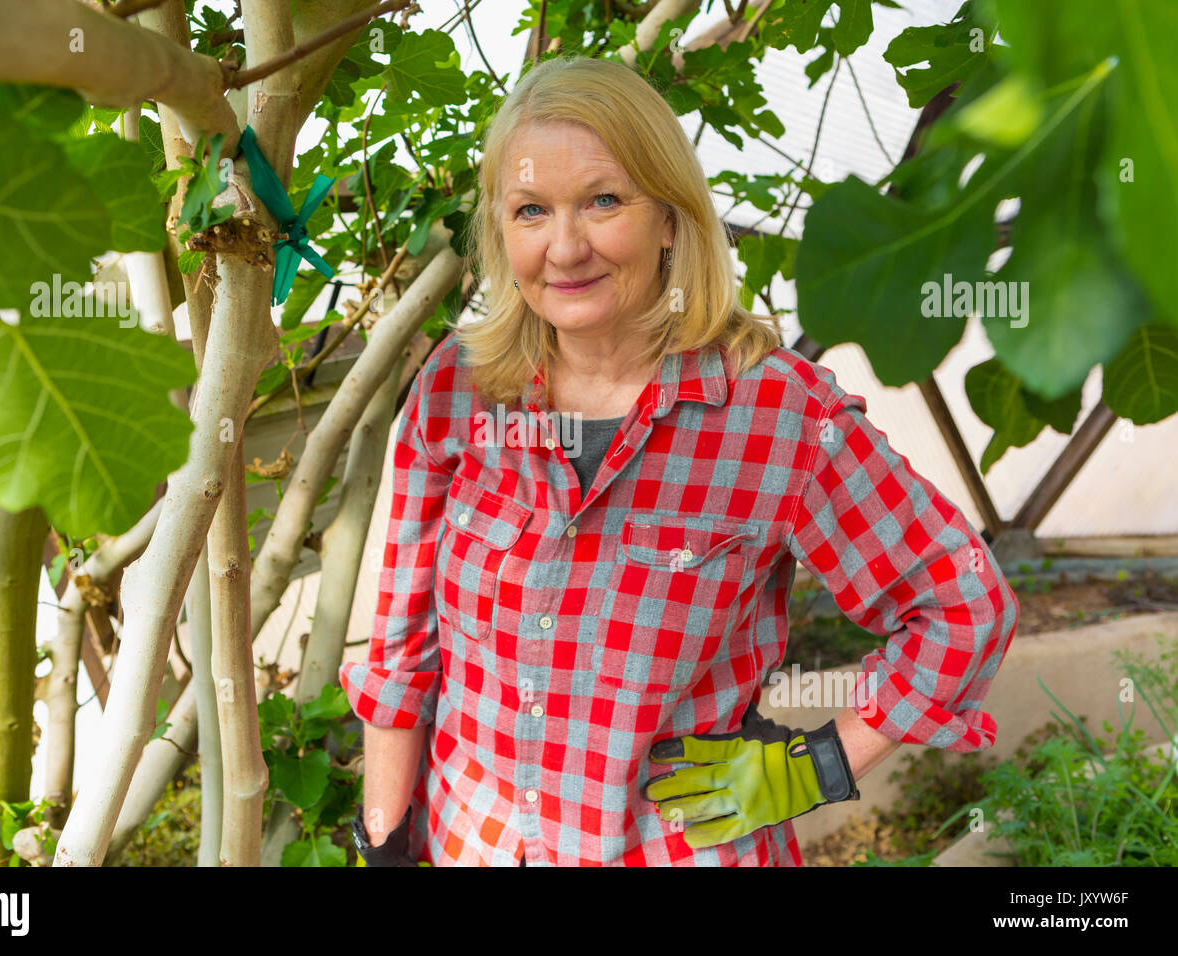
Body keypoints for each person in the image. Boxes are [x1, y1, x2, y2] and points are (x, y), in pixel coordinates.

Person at [340, 54, 1020, 866]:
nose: (564, 248)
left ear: (669, 215)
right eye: (530, 210)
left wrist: (811, 770)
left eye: (602, 201)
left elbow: (962, 608)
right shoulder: (458, 390)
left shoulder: (777, 414)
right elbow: (402, 648)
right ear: (500, 230)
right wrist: (383, 841)